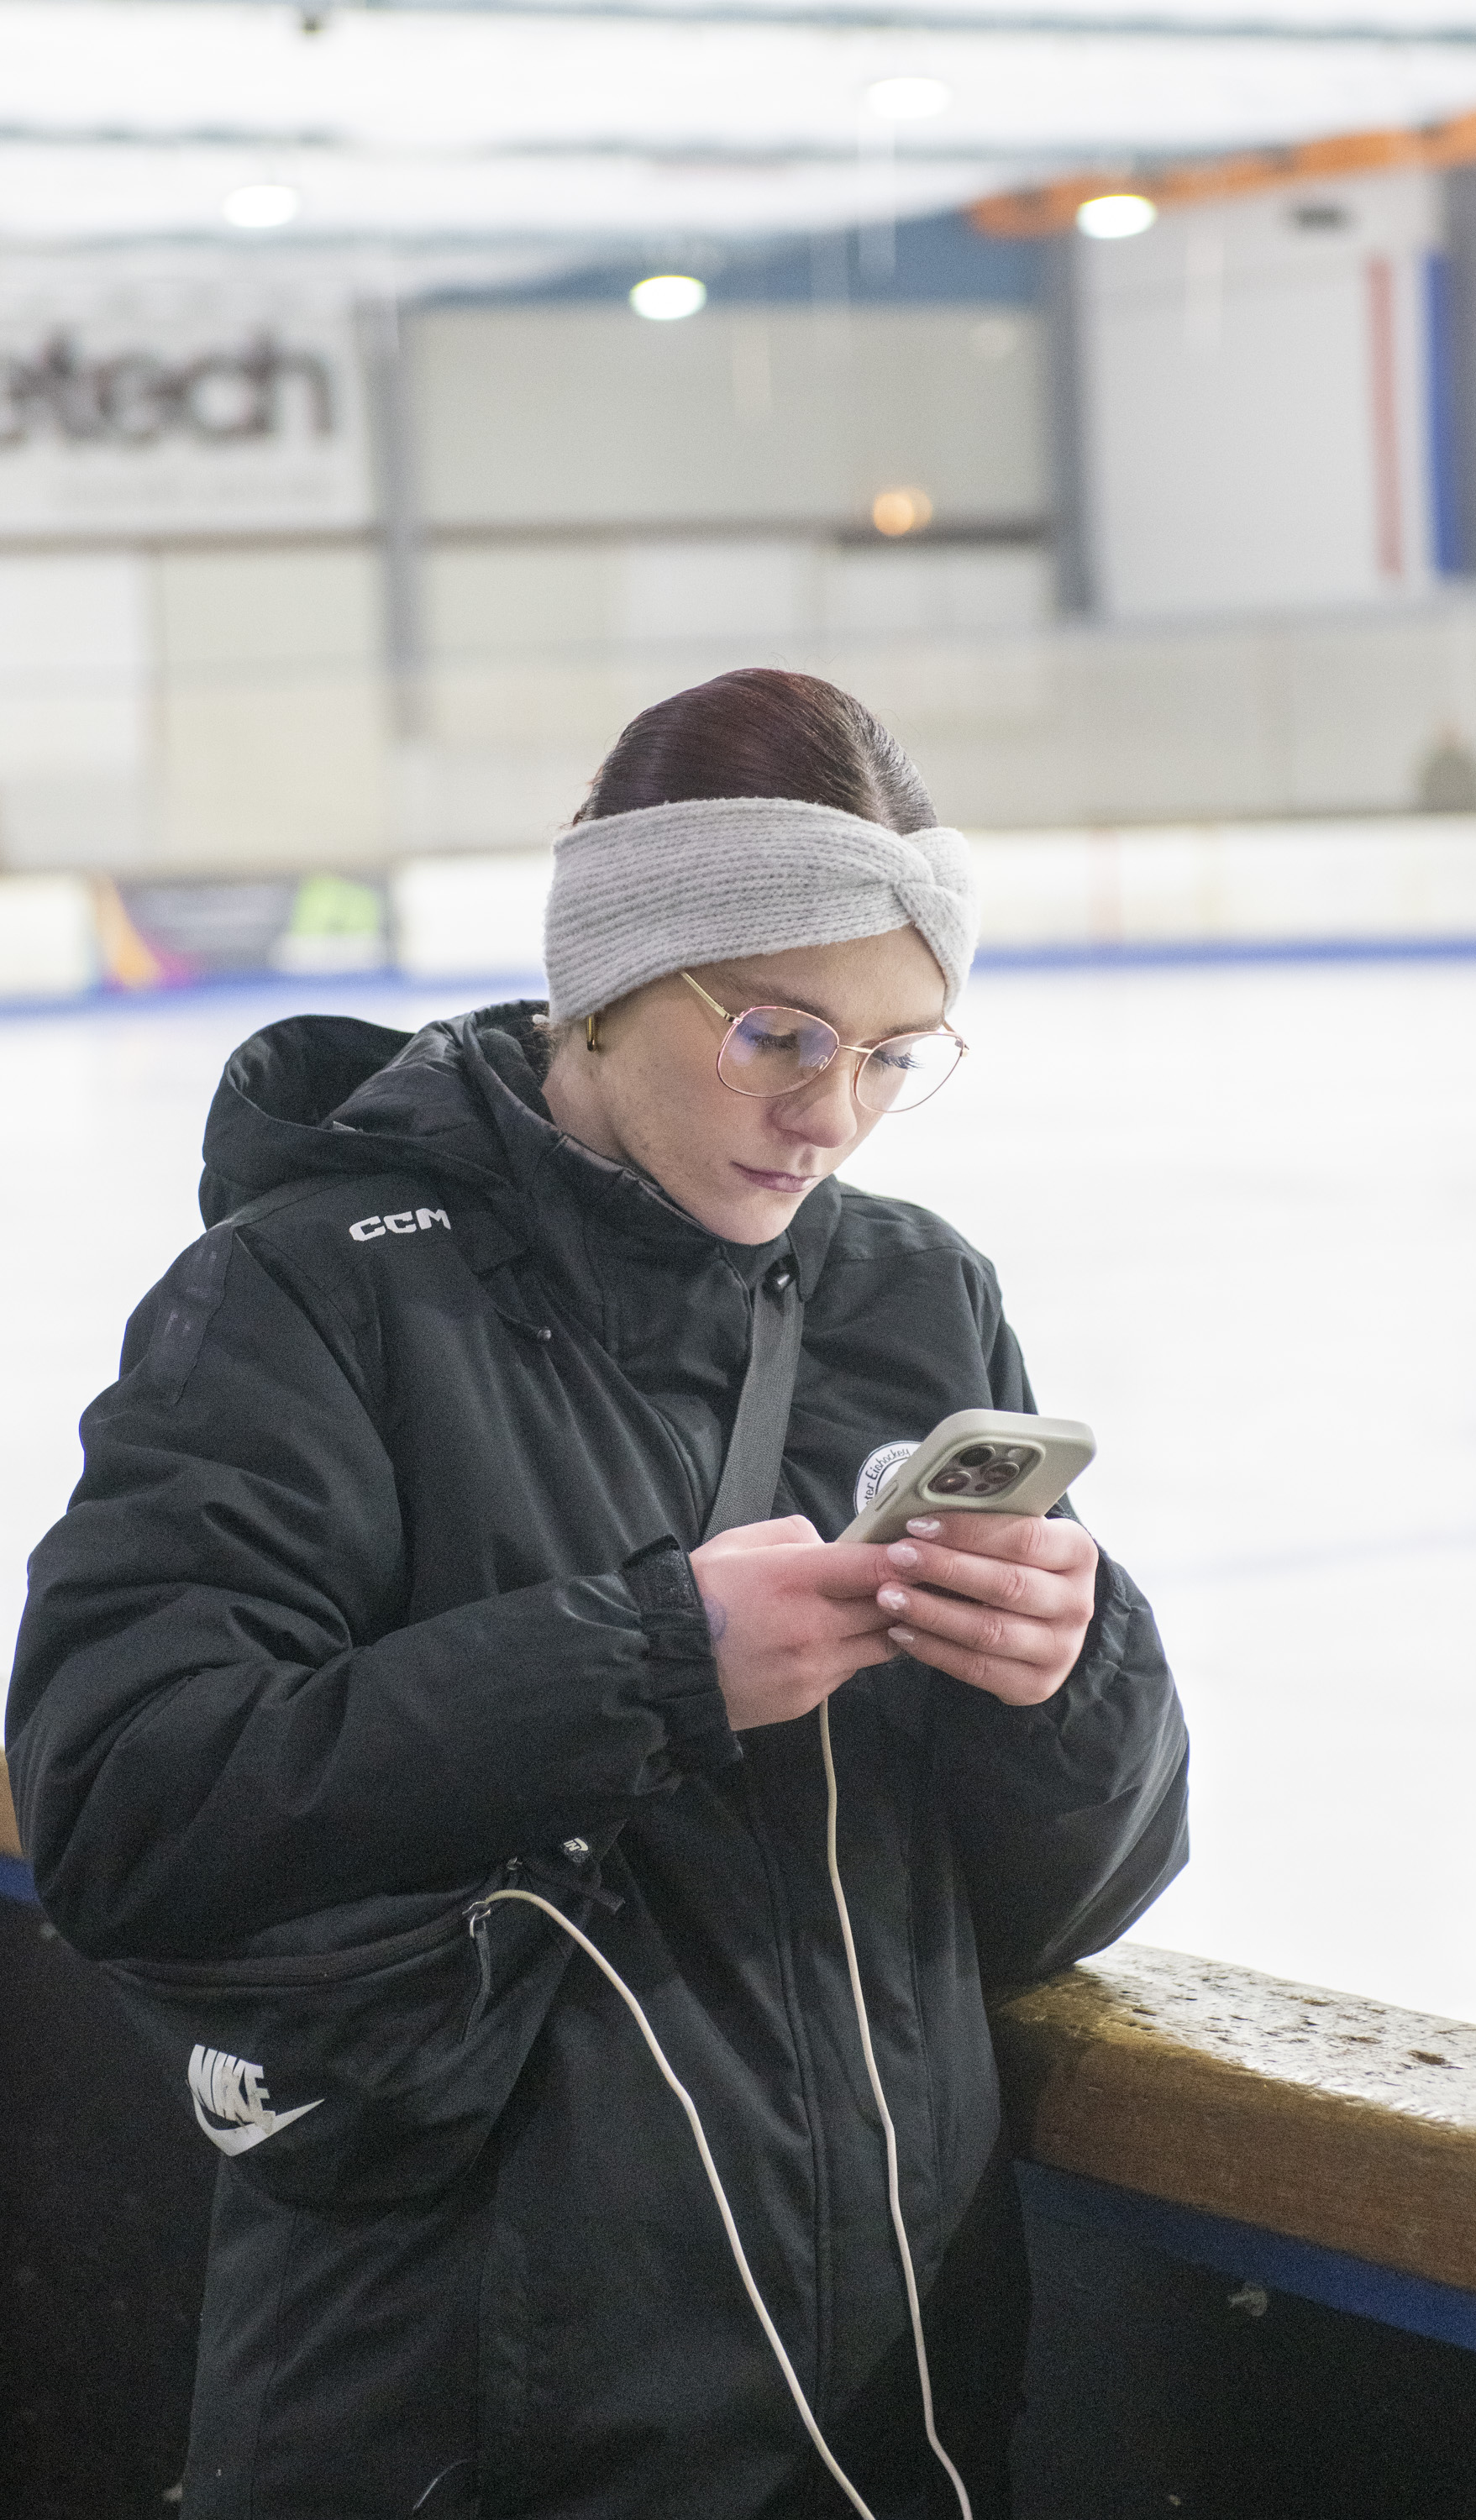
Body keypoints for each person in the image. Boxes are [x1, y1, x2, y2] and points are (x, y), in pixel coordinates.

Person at [7, 668, 1189, 2520]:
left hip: (890, 2417)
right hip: (454, 2423)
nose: (833, 1118)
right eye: (780, 1034)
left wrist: (1067, 1675)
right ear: (611, 980)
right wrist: (654, 1661)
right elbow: (127, 1802)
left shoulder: (916, 1300)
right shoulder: (316, 1297)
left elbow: (1046, 1911)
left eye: (893, 1054)